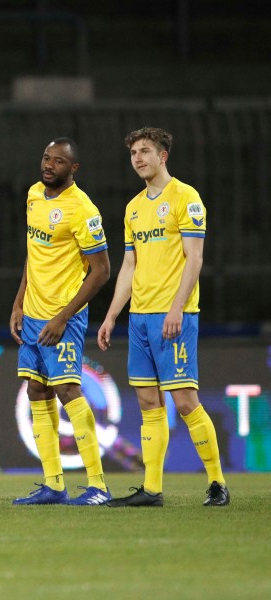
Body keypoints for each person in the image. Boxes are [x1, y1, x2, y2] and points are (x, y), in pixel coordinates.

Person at [98, 127, 229, 507]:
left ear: (163, 155)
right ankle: (152, 489)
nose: (138, 158)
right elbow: (128, 267)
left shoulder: (185, 198)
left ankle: (218, 483)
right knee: (147, 403)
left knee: (185, 401)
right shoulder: (134, 207)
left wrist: (176, 308)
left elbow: (195, 258)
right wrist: (111, 317)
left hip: (175, 316)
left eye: (145, 151)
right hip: (139, 318)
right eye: (134, 153)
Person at [9, 138, 112, 505]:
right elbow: (33, 255)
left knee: (69, 391)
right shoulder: (35, 194)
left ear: (74, 168)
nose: (49, 165)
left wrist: (63, 317)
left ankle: (99, 486)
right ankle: (54, 485)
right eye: (46, 157)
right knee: (37, 390)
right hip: (33, 315)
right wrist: (19, 302)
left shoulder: (82, 210)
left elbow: (101, 271)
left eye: (58, 161)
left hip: (62, 318)